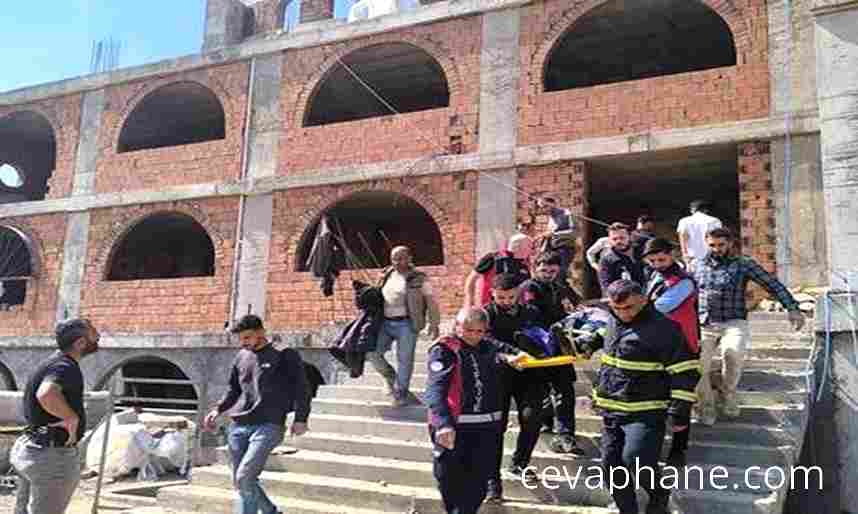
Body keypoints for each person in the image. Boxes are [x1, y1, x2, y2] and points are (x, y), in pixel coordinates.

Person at [572, 280, 700, 514]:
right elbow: (609, 332)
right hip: (611, 410)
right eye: (617, 308)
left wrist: (679, 409)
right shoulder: (613, 318)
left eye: (629, 308)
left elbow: (686, 370)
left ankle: (659, 494)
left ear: (643, 299)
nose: (624, 314)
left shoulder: (665, 329)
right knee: (611, 468)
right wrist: (592, 340)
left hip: (646, 411)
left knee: (637, 460)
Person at [692, 228, 805, 425]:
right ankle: (705, 405)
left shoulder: (743, 264)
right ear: (706, 244)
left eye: (721, 245)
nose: (716, 249)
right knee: (698, 366)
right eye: (712, 245)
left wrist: (792, 307)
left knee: (733, 353)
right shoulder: (697, 266)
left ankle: (728, 392)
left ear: (730, 244)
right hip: (704, 323)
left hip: (733, 322)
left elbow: (772, 284)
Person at [203, 314, 311, 514]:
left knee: (244, 477)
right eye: (241, 339)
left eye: (247, 337)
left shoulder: (284, 354)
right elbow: (233, 390)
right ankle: (271, 512)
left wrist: (301, 418)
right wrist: (217, 409)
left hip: (269, 424)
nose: (243, 343)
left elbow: (302, 388)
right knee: (242, 482)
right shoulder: (241, 356)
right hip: (238, 425)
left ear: (261, 332)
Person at [424, 308, 527, 514]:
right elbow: (435, 389)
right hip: (454, 426)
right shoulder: (445, 349)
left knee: (478, 484)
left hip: (485, 428)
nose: (473, 336)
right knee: (448, 479)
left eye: (479, 331)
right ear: (457, 326)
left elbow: (505, 349)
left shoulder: (488, 346)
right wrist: (443, 424)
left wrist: (514, 356)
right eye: (468, 330)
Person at [11, 318, 101, 514]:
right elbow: (46, 393)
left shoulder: (51, 361)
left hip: (32, 448)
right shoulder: (65, 367)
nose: (98, 338)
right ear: (80, 343)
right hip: (51, 458)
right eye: (94, 334)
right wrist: (71, 418)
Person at [483, 274, 547, 502]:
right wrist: (510, 352)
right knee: (495, 429)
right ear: (493, 293)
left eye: (511, 297)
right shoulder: (486, 313)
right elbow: (485, 340)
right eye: (501, 297)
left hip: (529, 375)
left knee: (532, 419)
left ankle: (520, 463)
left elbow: (542, 336)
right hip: (498, 375)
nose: (506, 301)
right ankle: (492, 482)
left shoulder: (530, 312)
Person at [642, 238, 700, 467]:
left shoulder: (683, 282)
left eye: (662, 259)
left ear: (672, 255)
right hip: (657, 345)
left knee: (680, 402)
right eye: (653, 260)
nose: (658, 264)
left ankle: (678, 449)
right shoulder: (655, 276)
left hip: (683, 346)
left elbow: (658, 306)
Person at [521, 251, 582, 454]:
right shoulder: (530, 287)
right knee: (541, 392)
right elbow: (531, 316)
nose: (548, 274)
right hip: (537, 348)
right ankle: (548, 423)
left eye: (552, 270)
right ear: (535, 268)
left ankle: (566, 435)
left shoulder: (560, 287)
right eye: (544, 270)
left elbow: (576, 304)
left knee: (565, 390)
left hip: (559, 348)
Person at [369, 245, 441, 406]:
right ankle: (390, 377)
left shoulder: (419, 278)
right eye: (394, 258)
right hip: (385, 322)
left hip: (407, 324)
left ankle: (400, 393)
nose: (398, 262)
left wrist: (434, 323)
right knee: (372, 353)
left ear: (409, 258)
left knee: (405, 359)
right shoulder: (386, 275)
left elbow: (431, 301)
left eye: (401, 258)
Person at [463, 233, 532, 309]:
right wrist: (469, 302)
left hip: (514, 309)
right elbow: (471, 279)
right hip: (490, 307)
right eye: (529, 247)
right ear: (517, 246)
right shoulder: (492, 258)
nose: (531, 250)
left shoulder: (524, 265)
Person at [536, 196, 577, 282]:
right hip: (553, 251)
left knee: (559, 276)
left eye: (545, 206)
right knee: (551, 277)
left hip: (564, 250)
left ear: (553, 203)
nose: (544, 209)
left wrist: (554, 234)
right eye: (541, 207)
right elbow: (549, 236)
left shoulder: (566, 214)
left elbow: (575, 232)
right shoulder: (551, 218)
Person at [597, 222, 646, 292]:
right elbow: (607, 286)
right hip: (625, 299)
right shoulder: (606, 260)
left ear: (630, 237)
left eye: (622, 238)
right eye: (614, 239)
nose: (618, 241)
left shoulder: (642, 252)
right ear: (609, 240)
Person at [676, 200, 722, 271]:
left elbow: (683, 240)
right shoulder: (714, 221)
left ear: (692, 210)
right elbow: (719, 239)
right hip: (711, 260)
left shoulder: (684, 221)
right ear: (706, 210)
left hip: (692, 261)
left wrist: (685, 256)